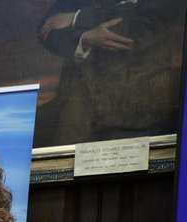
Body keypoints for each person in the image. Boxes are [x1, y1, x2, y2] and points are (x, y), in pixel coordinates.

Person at [34, 0, 182, 147]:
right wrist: (83, 38)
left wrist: (76, 18)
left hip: (136, 107)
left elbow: (137, 28)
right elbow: (48, 28)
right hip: (79, 107)